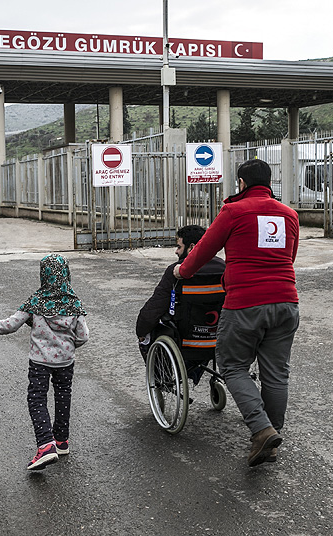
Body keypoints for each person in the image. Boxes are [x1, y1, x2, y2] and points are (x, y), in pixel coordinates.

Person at [174, 159, 299, 467]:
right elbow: (290, 256)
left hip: (245, 304)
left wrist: (182, 270)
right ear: (269, 183)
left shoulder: (233, 212)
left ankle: (262, 429)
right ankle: (270, 435)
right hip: (286, 302)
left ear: (242, 184)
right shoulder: (290, 215)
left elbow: (202, 250)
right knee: (276, 372)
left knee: (232, 366)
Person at [0, 254, 89, 472]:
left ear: (43, 275)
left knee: (37, 399)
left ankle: (46, 444)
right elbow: (83, 336)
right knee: (63, 396)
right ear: (66, 274)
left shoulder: (36, 302)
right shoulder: (74, 304)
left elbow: (10, 325)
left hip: (40, 363)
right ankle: (61, 441)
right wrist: (67, 348)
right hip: (65, 362)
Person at [135, 225, 226, 363]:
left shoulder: (176, 271)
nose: (176, 252)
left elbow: (154, 308)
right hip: (220, 341)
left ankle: (161, 382)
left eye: (179, 247)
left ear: (192, 247)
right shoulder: (224, 268)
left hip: (185, 344)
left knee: (148, 330)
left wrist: (141, 332)